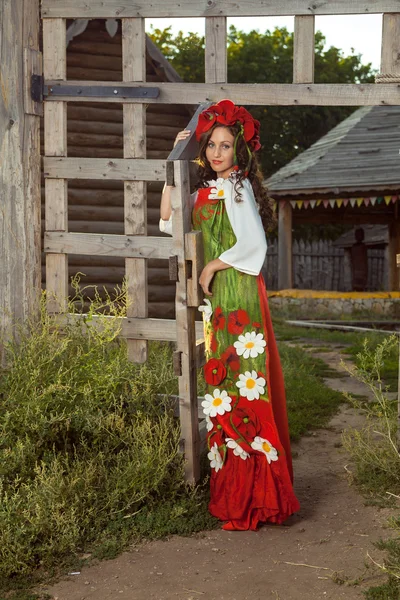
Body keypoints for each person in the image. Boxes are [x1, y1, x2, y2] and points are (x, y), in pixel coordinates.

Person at [160, 100, 300, 531]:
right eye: (212, 146)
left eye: (226, 145)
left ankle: (258, 496)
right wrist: (170, 163)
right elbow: (167, 220)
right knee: (223, 383)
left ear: (239, 152)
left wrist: (212, 264)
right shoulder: (203, 192)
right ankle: (234, 490)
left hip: (239, 294)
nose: (218, 153)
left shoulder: (237, 188)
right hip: (219, 302)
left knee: (245, 385)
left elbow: (253, 245)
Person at [350, 227, 368, 292]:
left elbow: (365, 260)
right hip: (356, 270)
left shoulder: (363, 247)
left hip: (361, 270)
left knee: (360, 285)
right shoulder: (355, 247)